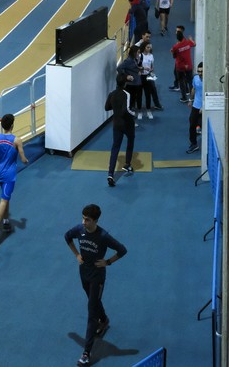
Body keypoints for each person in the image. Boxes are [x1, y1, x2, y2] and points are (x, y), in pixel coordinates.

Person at [67, 203, 127, 366]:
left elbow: (122, 250)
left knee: (91, 311)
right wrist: (76, 254)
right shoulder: (79, 230)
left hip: (97, 278)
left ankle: (86, 353)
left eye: (87, 220)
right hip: (84, 274)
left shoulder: (103, 236)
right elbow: (67, 237)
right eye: (83, 218)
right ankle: (104, 320)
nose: (83, 222)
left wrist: (108, 262)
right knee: (93, 301)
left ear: (95, 221)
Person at [0, 113, 27, 249]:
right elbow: (23, 159)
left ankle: (5, 222)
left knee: (7, 197)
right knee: (3, 201)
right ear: (12, 125)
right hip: (9, 176)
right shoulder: (17, 140)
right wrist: (26, 161)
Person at [106, 73, 137, 187]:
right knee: (130, 142)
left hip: (116, 124)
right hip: (127, 124)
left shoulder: (112, 94)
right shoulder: (126, 94)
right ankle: (127, 164)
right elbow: (126, 110)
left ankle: (110, 174)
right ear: (125, 83)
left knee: (115, 147)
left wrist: (115, 107)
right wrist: (134, 114)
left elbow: (106, 107)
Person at [172, 26, 196, 94]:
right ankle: (191, 94)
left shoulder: (176, 46)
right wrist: (191, 39)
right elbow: (194, 44)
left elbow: (174, 56)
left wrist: (174, 51)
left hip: (180, 65)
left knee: (182, 79)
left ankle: (185, 93)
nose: (176, 32)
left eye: (177, 31)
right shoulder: (187, 42)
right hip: (188, 65)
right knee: (189, 80)